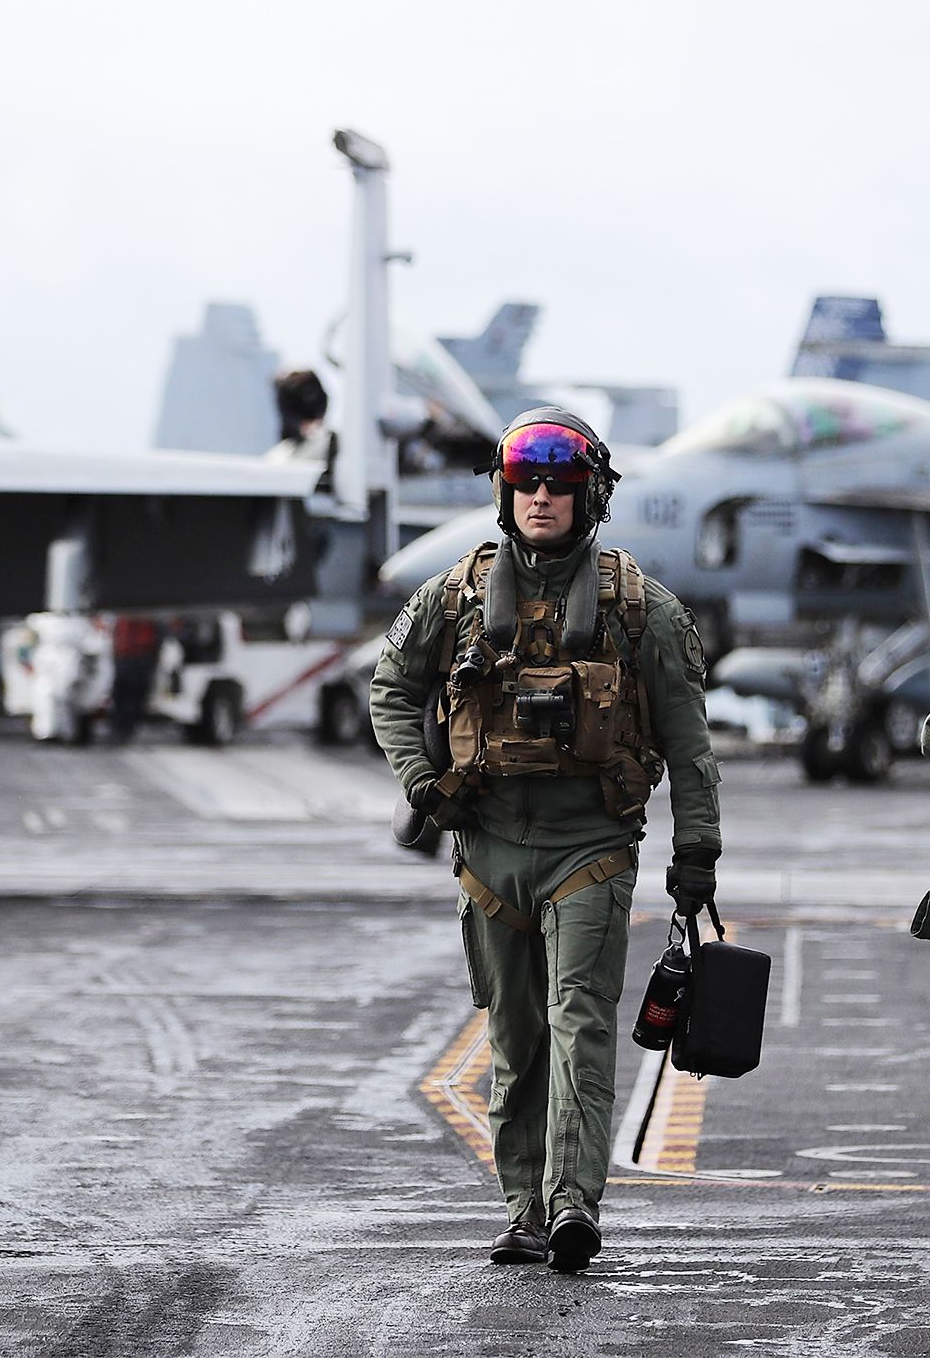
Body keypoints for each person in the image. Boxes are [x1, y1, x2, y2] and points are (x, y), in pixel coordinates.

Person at [369, 407, 722, 1272]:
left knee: (580, 1027)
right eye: (525, 480)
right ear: (504, 490)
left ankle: (572, 1205)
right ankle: (523, 1207)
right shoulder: (454, 596)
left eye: (559, 482)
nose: (540, 495)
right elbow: (389, 687)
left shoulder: (641, 608)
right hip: (487, 851)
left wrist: (696, 851)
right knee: (516, 1039)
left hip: (588, 849)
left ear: (589, 492)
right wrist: (422, 782)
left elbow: (688, 740)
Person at [108, 615, 164, 742]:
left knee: (134, 696)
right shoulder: (123, 615)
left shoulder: (147, 616)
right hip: (125, 657)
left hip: (139, 657)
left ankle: (127, 729)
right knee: (121, 695)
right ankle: (120, 728)